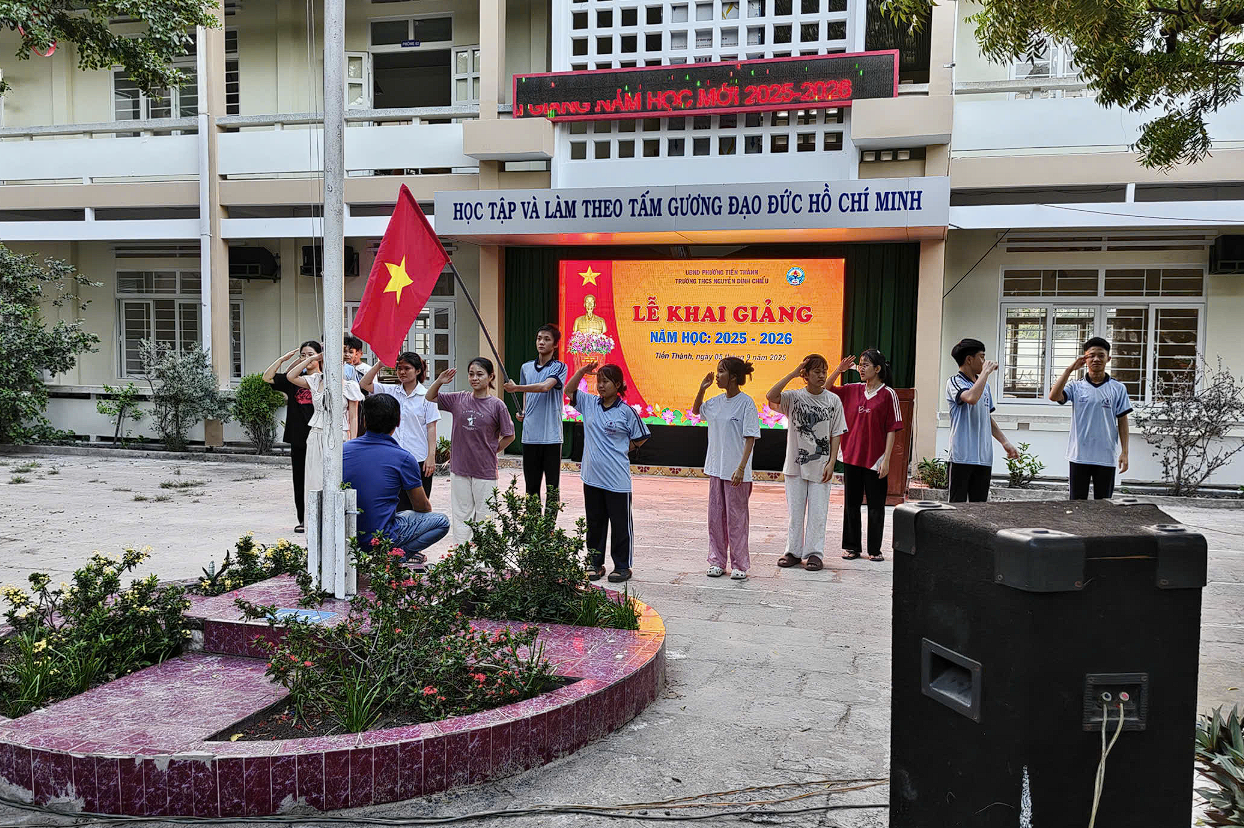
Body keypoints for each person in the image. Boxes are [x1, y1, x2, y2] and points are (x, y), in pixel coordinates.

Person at [567, 361, 650, 583]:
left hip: (617, 479)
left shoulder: (626, 412)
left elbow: (641, 437)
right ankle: (595, 563)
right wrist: (582, 372)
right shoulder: (589, 403)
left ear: (618, 384)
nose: (601, 386)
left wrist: (622, 448)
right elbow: (569, 390)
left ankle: (622, 566)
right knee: (594, 522)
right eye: (599, 381)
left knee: (620, 525)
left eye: (606, 381)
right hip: (592, 477)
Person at [766, 355, 848, 572]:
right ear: (806, 374)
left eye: (824, 371)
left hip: (821, 466)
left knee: (818, 513)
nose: (822, 376)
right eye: (817, 371)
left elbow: (836, 432)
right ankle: (793, 552)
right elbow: (771, 395)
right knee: (795, 513)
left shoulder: (833, 400)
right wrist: (793, 374)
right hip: (795, 465)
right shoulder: (793, 398)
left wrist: (832, 461)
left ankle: (814, 554)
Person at [344, 394, 449, 560]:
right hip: (382, 537)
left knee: (401, 515)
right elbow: (422, 507)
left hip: (346, 533)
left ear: (364, 420)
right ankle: (396, 556)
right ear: (398, 422)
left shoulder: (343, 450)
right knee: (441, 521)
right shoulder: (403, 458)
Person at [425, 358, 515, 544]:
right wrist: (439, 381)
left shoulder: (497, 405)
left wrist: (493, 449)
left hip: (485, 470)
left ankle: (484, 554)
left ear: (491, 377)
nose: (475, 378)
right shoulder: (458, 399)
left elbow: (509, 435)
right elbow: (430, 397)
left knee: (486, 515)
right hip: (460, 469)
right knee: (461, 515)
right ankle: (463, 554)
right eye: (471, 374)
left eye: (480, 374)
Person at [828, 350, 904, 562]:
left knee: (876, 506)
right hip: (852, 456)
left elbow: (892, 429)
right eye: (860, 364)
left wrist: (886, 460)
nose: (861, 369)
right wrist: (839, 370)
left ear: (877, 369)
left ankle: (875, 549)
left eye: (866, 365)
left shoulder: (888, 394)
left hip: (875, 459)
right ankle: (851, 547)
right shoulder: (852, 389)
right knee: (851, 504)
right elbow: (826, 389)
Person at [692, 357, 760, 580]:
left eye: (721, 371)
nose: (717, 375)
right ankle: (717, 561)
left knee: (736, 520)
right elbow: (696, 411)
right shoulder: (715, 402)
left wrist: (741, 468)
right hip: (716, 469)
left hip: (736, 473)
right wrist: (702, 389)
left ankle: (740, 564)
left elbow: (750, 438)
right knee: (716, 518)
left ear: (733, 377)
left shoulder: (746, 403)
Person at [1048, 336, 1132, 500]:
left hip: (1105, 456)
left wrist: (1125, 452)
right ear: (1085, 359)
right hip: (1079, 455)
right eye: (1091, 355)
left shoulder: (1118, 388)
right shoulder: (1076, 386)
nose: (1096, 359)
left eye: (1101, 355)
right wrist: (1069, 370)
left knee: (1104, 504)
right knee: (1077, 504)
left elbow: (1122, 421)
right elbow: (1054, 396)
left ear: (1108, 359)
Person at [286, 347, 364, 510]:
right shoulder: (315, 380)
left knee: (338, 480)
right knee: (315, 480)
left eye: (338, 362)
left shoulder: (350, 386)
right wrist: (310, 359)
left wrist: (353, 443)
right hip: (316, 434)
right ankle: (314, 520)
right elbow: (290, 376)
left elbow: (353, 417)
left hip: (341, 435)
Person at [503, 324, 569, 515]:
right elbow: (527, 394)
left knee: (552, 488)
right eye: (539, 338)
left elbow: (544, 387)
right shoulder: (526, 367)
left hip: (551, 437)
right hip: (530, 437)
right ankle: (532, 527)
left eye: (547, 339)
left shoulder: (559, 367)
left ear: (555, 345)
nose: (541, 342)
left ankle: (548, 528)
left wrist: (516, 388)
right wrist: (523, 411)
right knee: (531, 487)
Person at [946, 338, 1020, 503]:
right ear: (969, 359)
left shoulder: (984, 386)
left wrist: (1005, 442)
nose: (984, 361)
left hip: (983, 458)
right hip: (961, 457)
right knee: (957, 508)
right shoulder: (954, 382)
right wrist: (986, 372)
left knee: (980, 508)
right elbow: (970, 398)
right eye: (981, 357)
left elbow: (986, 417)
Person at [361, 352, 440, 499]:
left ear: (418, 370)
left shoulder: (427, 396)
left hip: (418, 457)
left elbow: (431, 427)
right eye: (399, 368)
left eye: (407, 368)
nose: (402, 372)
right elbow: (364, 384)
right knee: (395, 500)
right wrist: (380, 364)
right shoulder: (391, 391)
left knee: (418, 502)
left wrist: (431, 457)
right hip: (393, 457)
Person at [263, 341, 320, 533]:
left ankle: (321, 517)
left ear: (319, 356)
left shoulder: (324, 380)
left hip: (320, 437)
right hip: (298, 437)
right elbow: (268, 378)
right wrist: (282, 359)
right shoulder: (294, 380)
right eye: (303, 355)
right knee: (300, 480)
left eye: (311, 354)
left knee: (319, 478)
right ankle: (304, 519)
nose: (307, 358)